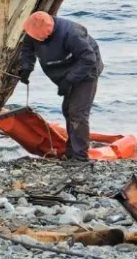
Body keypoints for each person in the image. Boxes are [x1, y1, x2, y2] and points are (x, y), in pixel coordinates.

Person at [19, 11, 104, 163]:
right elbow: (27, 50)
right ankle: (71, 151)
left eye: (41, 38)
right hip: (64, 74)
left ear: (50, 30)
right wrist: (26, 68)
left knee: (77, 113)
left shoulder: (72, 33)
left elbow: (88, 59)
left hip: (86, 72)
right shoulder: (32, 33)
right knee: (67, 110)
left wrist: (69, 80)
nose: (38, 41)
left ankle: (81, 157)